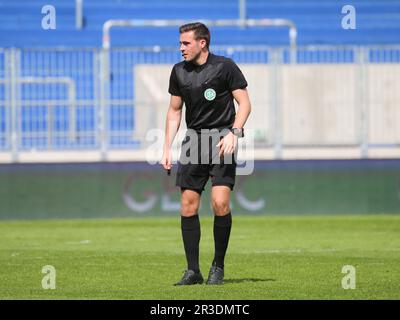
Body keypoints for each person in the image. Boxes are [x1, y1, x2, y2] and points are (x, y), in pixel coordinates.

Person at [161, 22, 251, 285]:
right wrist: (166, 146)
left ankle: (218, 267)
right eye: (180, 43)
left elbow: (244, 103)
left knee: (220, 203)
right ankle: (193, 271)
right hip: (193, 141)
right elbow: (174, 111)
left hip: (222, 138)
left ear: (202, 43)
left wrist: (235, 132)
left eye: (185, 43)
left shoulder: (225, 67)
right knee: (188, 205)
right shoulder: (178, 71)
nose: (181, 48)